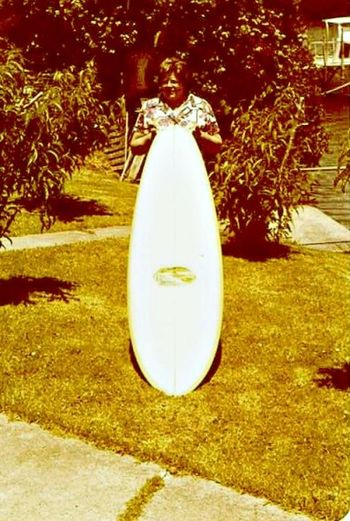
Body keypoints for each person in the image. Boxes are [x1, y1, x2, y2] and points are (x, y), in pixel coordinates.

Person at [130, 57, 222, 158]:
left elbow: (217, 144)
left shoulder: (200, 106)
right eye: (165, 82)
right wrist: (150, 137)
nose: (169, 86)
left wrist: (201, 136)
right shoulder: (150, 107)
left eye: (174, 81)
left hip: (192, 170)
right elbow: (134, 146)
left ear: (184, 83)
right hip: (157, 170)